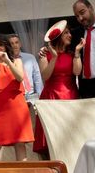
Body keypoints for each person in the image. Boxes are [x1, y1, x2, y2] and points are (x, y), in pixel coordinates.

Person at [0, 34, 34, 161]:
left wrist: (8, 61)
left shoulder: (17, 61)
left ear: (6, 46)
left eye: (0, 45)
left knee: (20, 144)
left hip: (17, 108)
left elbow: (20, 77)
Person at [32, 20, 83, 154]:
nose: (70, 35)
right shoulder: (45, 55)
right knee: (52, 136)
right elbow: (45, 76)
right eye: (66, 33)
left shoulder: (72, 54)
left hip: (70, 97)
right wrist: (54, 57)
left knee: (70, 136)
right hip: (51, 98)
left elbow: (77, 72)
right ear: (58, 36)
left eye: (69, 32)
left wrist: (77, 53)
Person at [8, 33, 43, 102]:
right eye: (12, 43)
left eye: (16, 42)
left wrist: (40, 96)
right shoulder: (7, 61)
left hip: (32, 96)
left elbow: (37, 78)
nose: (15, 45)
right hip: (16, 97)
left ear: (20, 44)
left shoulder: (30, 57)